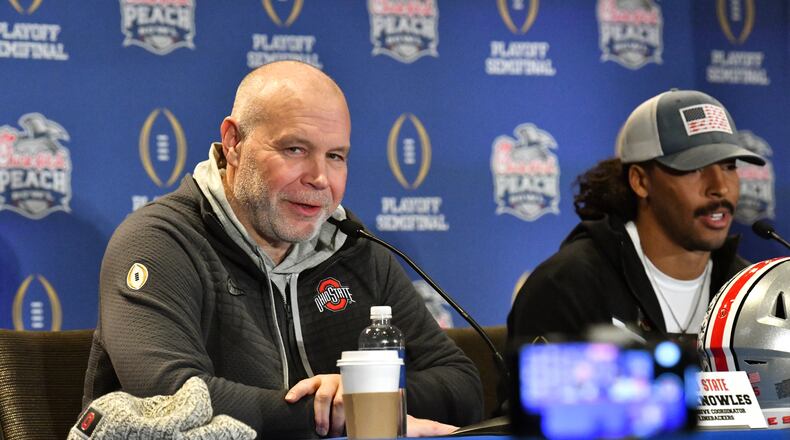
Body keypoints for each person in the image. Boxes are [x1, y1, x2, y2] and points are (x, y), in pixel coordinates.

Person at [82, 61, 483, 438]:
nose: (320, 178)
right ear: (233, 142)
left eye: (335, 156)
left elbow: (461, 385)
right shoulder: (160, 242)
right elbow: (170, 399)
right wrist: (342, 415)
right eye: (295, 149)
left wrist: (358, 397)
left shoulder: (353, 248)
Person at [508, 89, 765, 344]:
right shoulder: (566, 286)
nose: (720, 187)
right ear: (640, 181)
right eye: (694, 168)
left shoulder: (753, 293)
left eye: (730, 167)